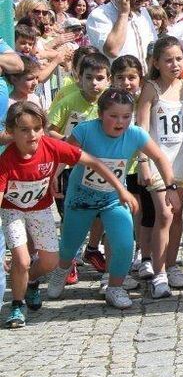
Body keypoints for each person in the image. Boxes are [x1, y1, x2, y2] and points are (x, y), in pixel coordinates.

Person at [0, 102, 117, 327]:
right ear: (11, 132)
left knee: (50, 262)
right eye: (24, 130)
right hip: (12, 211)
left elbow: (92, 161)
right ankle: (17, 304)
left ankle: (31, 281)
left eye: (37, 128)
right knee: (22, 260)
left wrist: (120, 190)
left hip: (41, 209)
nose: (32, 135)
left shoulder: (52, 147)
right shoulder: (5, 161)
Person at [47, 89, 164, 310]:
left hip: (113, 199)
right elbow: (66, 154)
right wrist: (54, 175)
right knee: (69, 245)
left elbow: (158, 156)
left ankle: (115, 287)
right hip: (81, 199)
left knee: (124, 243)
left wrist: (171, 187)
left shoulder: (136, 134)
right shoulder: (84, 130)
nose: (120, 121)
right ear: (100, 115)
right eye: (114, 116)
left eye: (126, 116)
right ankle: (61, 270)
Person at [134, 36, 183, 297]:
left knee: (178, 214)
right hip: (158, 162)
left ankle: (171, 265)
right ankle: (158, 272)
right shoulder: (151, 88)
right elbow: (142, 129)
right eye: (168, 60)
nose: (174, 64)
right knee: (165, 215)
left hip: (181, 161)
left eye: (179, 59)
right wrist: (143, 162)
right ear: (156, 63)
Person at [86, 0, 157, 73]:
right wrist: (123, 13)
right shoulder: (99, 15)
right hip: (118, 84)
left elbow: (153, 46)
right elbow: (112, 51)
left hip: (144, 83)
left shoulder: (144, 12)